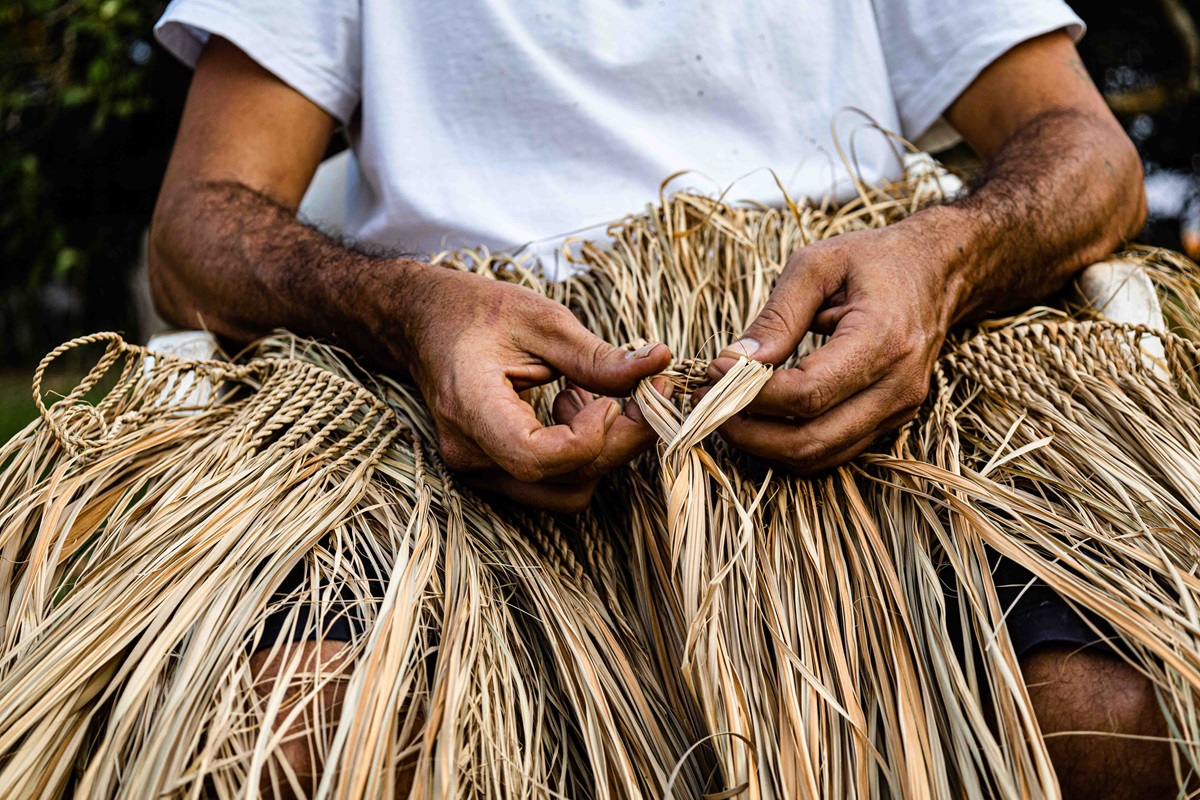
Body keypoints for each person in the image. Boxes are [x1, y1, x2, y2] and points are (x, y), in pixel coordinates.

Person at [150, 1, 1162, 797]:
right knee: (299, 732)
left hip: (855, 360)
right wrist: (409, 311)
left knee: (1102, 713)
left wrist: (941, 261)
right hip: (439, 397)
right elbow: (195, 228)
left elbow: (1087, 152)